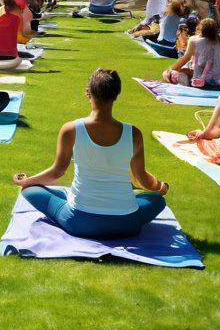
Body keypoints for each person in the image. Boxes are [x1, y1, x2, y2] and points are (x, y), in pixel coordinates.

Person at [12, 69, 169, 239]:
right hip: (126, 224)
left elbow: (57, 172)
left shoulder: (71, 129)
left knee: (30, 191)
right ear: (116, 95)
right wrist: (160, 187)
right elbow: (141, 179)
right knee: (157, 200)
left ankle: (66, 200)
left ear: (88, 93)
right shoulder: (134, 134)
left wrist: (28, 181)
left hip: (79, 222)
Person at [164, 17, 220, 90]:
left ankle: (182, 78)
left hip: (199, 76)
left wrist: (171, 70)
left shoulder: (194, 40)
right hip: (216, 78)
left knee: (169, 73)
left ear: (200, 28)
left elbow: (185, 58)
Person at [0, 0, 37, 64]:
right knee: (29, 55)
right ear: (15, 8)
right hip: (11, 57)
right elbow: (23, 33)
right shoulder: (16, 19)